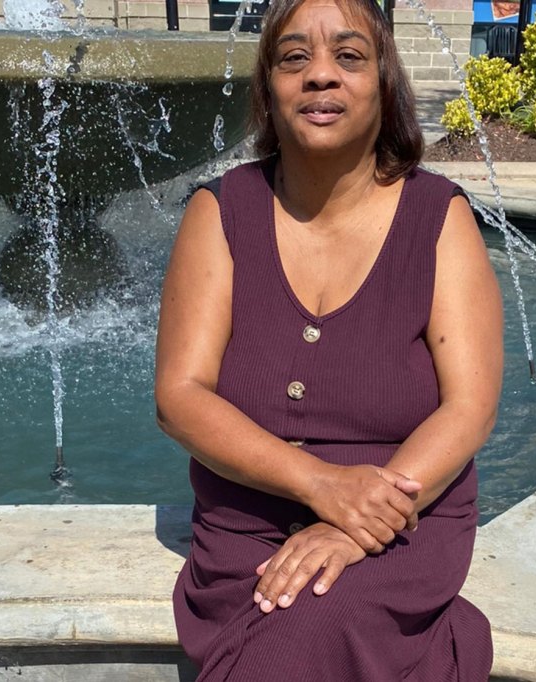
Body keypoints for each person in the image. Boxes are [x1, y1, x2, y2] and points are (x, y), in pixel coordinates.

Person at [154, 0, 503, 677]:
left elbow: (471, 406)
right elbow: (179, 395)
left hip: (404, 516)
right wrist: (319, 485)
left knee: (307, 628)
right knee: (291, 618)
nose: (320, 76)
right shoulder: (219, 212)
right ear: (268, 89)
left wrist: (356, 519)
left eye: (348, 56)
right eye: (294, 58)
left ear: (384, 85)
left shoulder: (439, 218)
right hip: (244, 529)